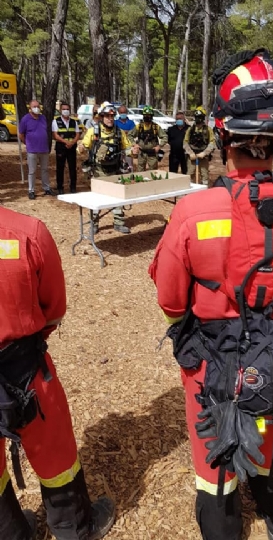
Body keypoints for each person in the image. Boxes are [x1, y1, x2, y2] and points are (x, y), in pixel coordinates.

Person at [149, 49, 273, 540]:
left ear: (223, 133)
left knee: (213, 449)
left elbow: (170, 296)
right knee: (272, 436)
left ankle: (223, 529)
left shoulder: (192, 212)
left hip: (209, 355)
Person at [0, 204, 115, 540]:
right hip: (24, 371)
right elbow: (53, 307)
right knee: (55, 453)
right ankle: (74, 529)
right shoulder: (27, 233)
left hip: (20, 364)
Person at [78, 102, 131, 234]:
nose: (110, 118)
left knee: (118, 197)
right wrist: (81, 149)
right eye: (107, 116)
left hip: (115, 170)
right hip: (98, 171)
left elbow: (128, 149)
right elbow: (82, 148)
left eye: (112, 116)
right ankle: (94, 224)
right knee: (97, 199)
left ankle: (118, 222)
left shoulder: (119, 133)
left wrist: (133, 151)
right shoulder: (93, 131)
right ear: (101, 116)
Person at [19, 100, 54, 200]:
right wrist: (27, 143)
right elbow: (21, 134)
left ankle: (46, 188)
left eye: (38, 106)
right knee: (32, 171)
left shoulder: (43, 118)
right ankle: (31, 190)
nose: (36, 108)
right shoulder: (25, 119)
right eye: (34, 106)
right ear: (30, 108)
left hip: (44, 149)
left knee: (45, 169)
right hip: (32, 150)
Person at [52, 101, 81, 195]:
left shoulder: (74, 122)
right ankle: (60, 187)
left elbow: (77, 134)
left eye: (67, 109)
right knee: (60, 168)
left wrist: (72, 142)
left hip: (72, 148)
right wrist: (66, 142)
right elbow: (55, 135)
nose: (66, 111)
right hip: (61, 147)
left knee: (72, 168)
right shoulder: (56, 121)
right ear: (60, 110)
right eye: (64, 109)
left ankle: (73, 187)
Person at [128, 105, 167, 171]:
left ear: (152, 116)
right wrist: (134, 144)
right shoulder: (139, 126)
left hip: (152, 153)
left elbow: (165, 137)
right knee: (140, 171)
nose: (147, 117)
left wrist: (159, 146)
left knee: (153, 171)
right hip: (141, 153)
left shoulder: (156, 127)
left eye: (149, 115)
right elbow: (130, 135)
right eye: (145, 115)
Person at [183, 106, 215, 185]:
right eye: (197, 117)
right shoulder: (190, 129)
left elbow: (212, 143)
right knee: (190, 174)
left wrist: (205, 153)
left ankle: (204, 192)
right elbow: (185, 142)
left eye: (200, 117)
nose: (198, 119)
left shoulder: (208, 130)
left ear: (203, 118)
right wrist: (190, 153)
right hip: (192, 156)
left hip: (203, 156)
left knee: (204, 175)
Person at [115, 105, 136, 171]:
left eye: (124, 112)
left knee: (129, 164)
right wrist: (126, 131)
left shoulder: (131, 123)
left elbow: (134, 133)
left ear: (127, 112)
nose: (123, 114)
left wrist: (122, 131)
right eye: (121, 112)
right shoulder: (115, 122)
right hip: (118, 146)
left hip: (129, 147)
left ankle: (130, 176)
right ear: (118, 113)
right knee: (119, 163)